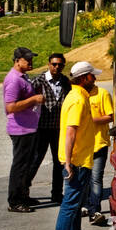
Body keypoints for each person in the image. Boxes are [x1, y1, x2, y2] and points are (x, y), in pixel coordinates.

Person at [55, 61, 102, 230]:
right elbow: (70, 132)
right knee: (70, 204)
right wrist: (68, 163)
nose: (95, 78)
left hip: (81, 159)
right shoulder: (78, 100)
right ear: (84, 78)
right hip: (76, 161)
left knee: (75, 204)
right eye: (92, 75)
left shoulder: (78, 96)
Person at [3, 47, 45, 213]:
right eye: (27, 59)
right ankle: (14, 201)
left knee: (27, 165)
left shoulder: (23, 77)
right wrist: (34, 99)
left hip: (28, 127)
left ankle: (23, 195)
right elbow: (11, 106)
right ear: (17, 60)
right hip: (20, 129)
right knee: (19, 166)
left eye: (31, 59)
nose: (30, 62)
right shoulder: (14, 80)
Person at [31, 53, 70, 204]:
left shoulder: (65, 82)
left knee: (58, 161)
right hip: (41, 128)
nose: (57, 67)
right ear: (49, 64)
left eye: (60, 65)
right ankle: (24, 191)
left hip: (58, 128)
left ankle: (57, 193)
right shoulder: (39, 81)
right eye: (54, 64)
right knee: (35, 160)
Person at [83, 77, 115, 225]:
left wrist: (91, 120)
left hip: (99, 143)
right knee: (83, 179)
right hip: (82, 145)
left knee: (96, 178)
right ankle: (84, 205)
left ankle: (95, 211)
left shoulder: (102, 93)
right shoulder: (78, 94)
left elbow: (110, 116)